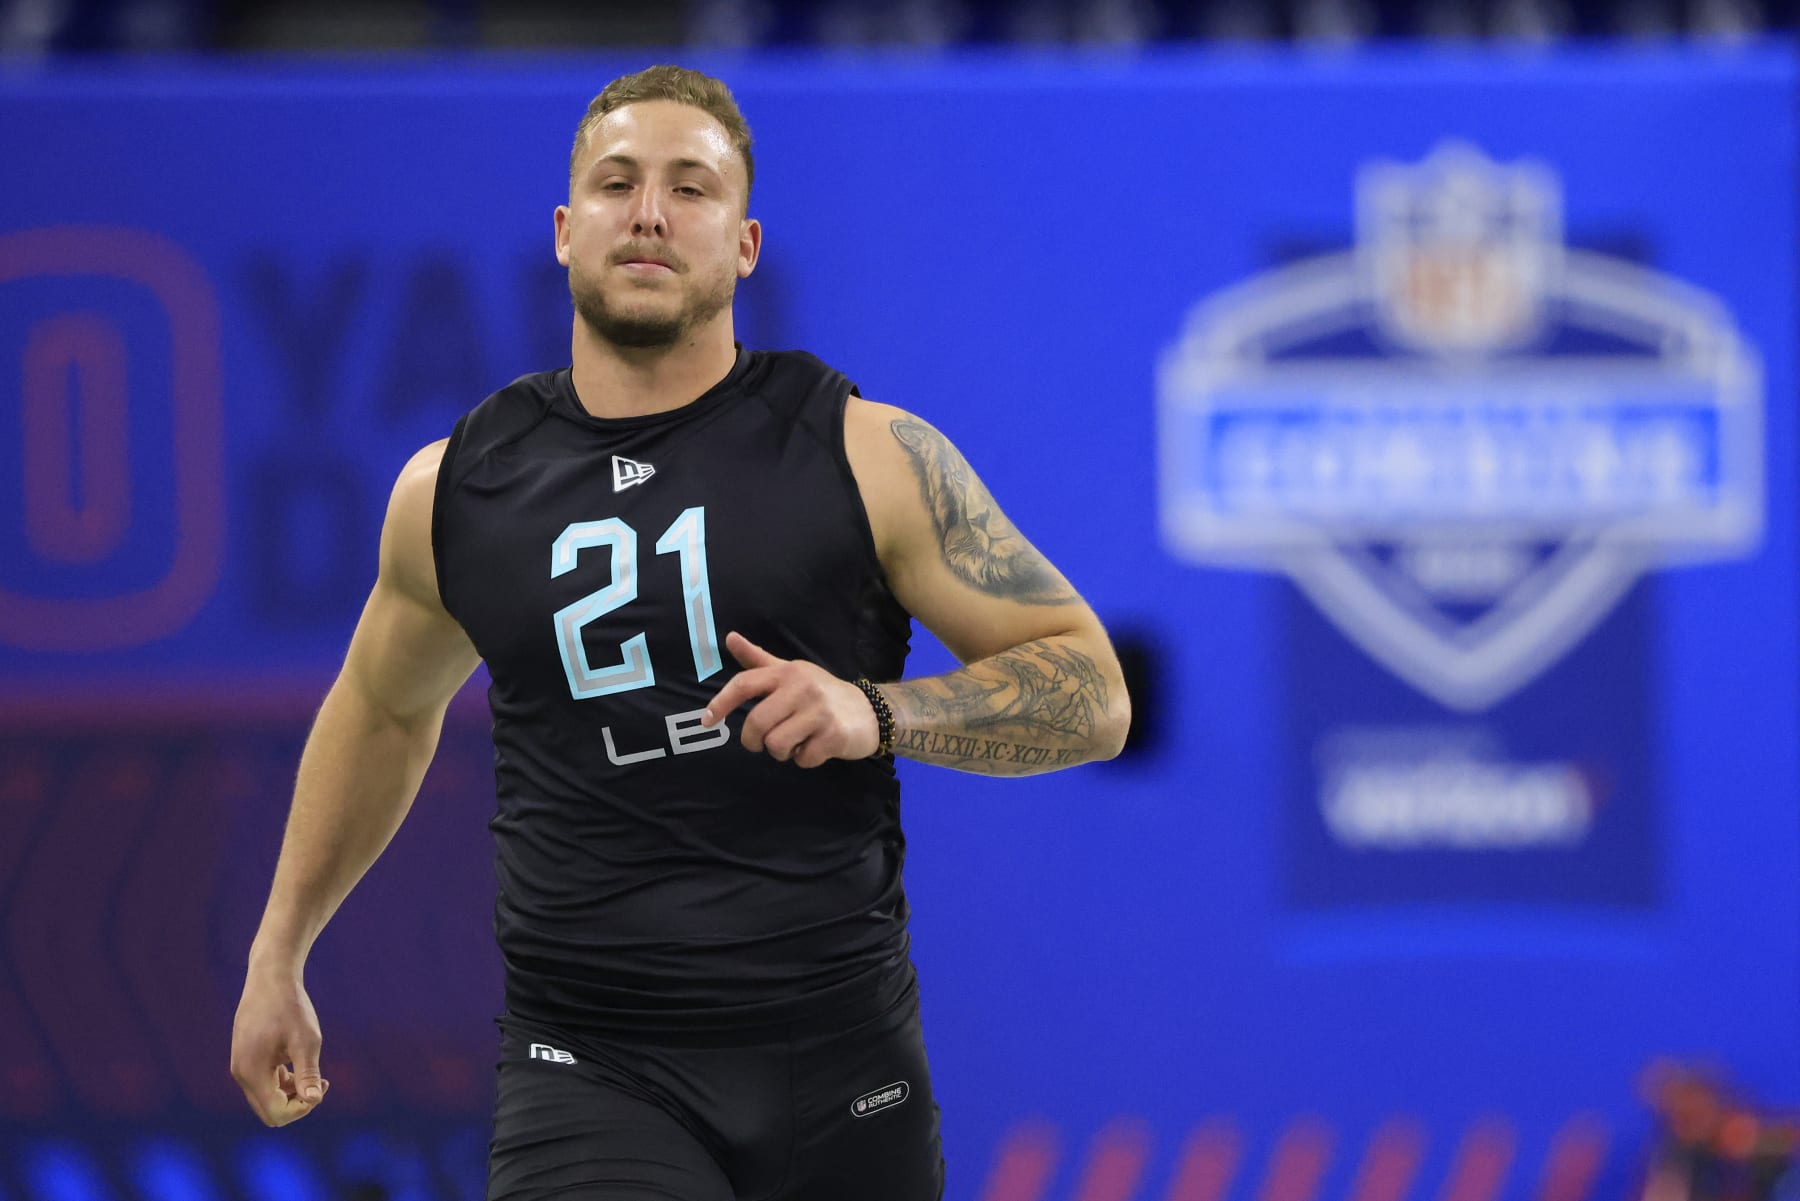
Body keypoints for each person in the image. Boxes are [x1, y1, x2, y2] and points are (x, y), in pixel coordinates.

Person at [229, 64, 1130, 1200]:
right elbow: (383, 709)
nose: (649, 212)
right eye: (617, 183)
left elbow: (1095, 690)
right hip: (589, 1064)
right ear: (565, 231)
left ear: (745, 244)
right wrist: (280, 950)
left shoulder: (868, 453)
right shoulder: (456, 488)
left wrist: (880, 710)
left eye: (690, 189)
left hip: (840, 1057)